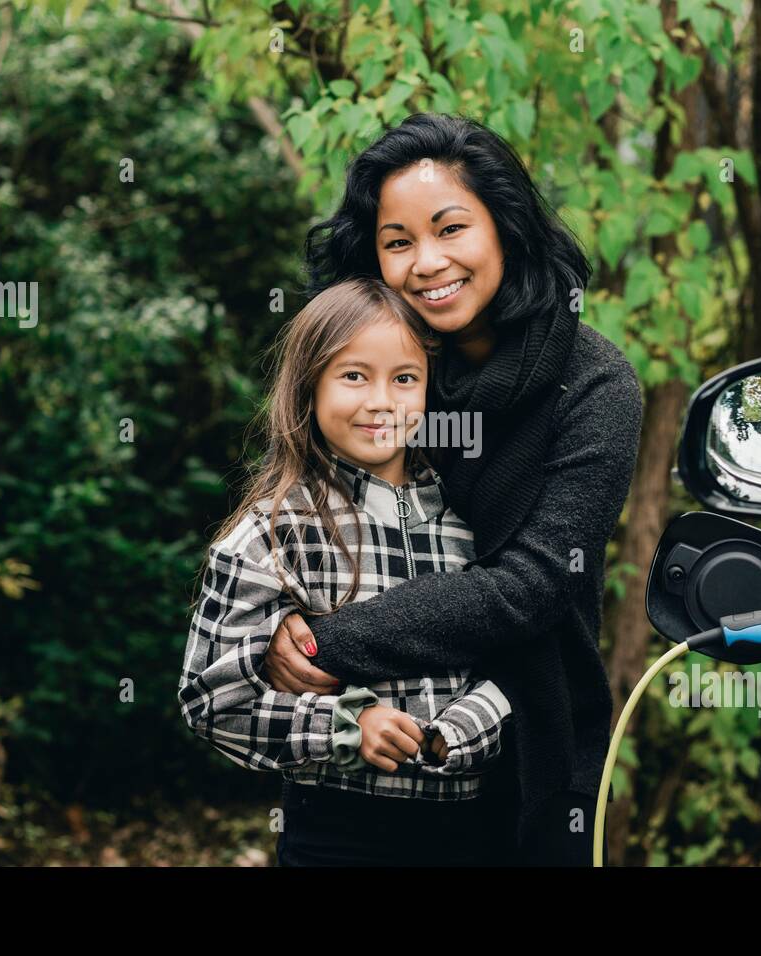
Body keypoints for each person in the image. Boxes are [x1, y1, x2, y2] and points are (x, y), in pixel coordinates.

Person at [263, 112, 644, 866]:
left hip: (528, 750)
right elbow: (296, 506)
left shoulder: (595, 386)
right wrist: (278, 619)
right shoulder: (377, 374)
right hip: (359, 757)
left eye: (451, 229)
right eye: (397, 242)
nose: (426, 262)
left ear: (505, 228)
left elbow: (533, 585)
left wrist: (331, 641)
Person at [178, 277, 515, 866]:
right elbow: (211, 700)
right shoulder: (272, 534)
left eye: (404, 378)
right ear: (310, 387)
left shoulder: (473, 518)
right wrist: (345, 728)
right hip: (338, 834)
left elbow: (518, 662)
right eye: (354, 376)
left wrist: (454, 733)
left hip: (474, 831)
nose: (381, 400)